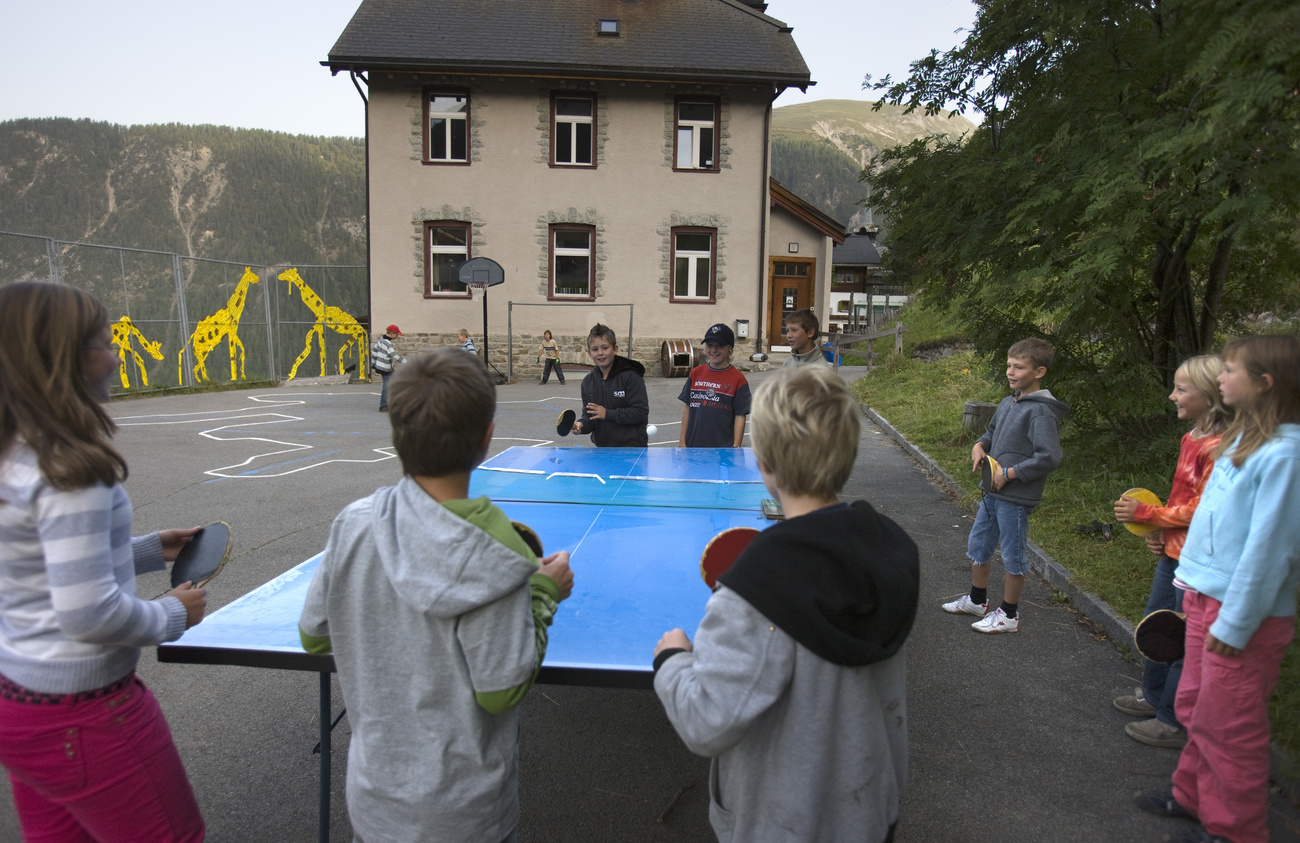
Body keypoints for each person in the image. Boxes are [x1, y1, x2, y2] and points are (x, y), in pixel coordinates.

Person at [298, 348, 574, 843]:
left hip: (375, 803)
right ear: (488, 437)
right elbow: (501, 690)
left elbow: (316, 637)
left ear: (397, 432)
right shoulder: (498, 551)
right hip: (466, 814)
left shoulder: (354, 523)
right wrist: (542, 594)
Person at [653, 366, 918, 842]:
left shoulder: (757, 587)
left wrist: (672, 660)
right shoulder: (889, 550)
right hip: (870, 812)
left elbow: (707, 722)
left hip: (782, 825)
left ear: (764, 463)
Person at [0, 281, 208, 842]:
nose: (114, 354)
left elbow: (32, 567)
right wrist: (173, 613)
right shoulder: (72, 469)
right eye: (103, 342)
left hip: (18, 706)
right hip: (88, 717)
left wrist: (146, 549)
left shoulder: (15, 458)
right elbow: (88, 613)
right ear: (63, 359)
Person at [1135, 335, 1300, 843]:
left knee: (1231, 727)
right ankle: (1192, 794)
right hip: (1204, 599)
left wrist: (1237, 622)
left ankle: (1234, 830)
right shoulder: (1243, 441)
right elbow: (1214, 520)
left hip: (1240, 614)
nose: (1221, 377)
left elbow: (1269, 551)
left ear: (1263, 383)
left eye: (1230, 371)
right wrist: (1172, 544)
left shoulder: (1284, 457)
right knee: (1195, 707)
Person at [1112, 355, 1231, 750]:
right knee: (1157, 626)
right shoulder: (1191, 437)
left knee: (1182, 637)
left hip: (1197, 560)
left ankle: (1173, 721)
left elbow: (1203, 507)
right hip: (1173, 553)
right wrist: (1160, 532)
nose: (1172, 395)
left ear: (1211, 395)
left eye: (1182, 389)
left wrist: (1149, 514)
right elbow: (1181, 498)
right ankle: (1153, 695)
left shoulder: (1220, 447)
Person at [942, 338, 1068, 633]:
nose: (1011, 372)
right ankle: (976, 600)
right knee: (979, 545)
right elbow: (990, 432)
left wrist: (1009, 473)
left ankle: (1009, 615)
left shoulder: (1040, 411)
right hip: (992, 492)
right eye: (1009, 365)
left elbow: (1050, 457)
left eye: (1019, 367)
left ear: (1039, 372)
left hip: (1016, 497)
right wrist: (979, 445)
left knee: (1012, 553)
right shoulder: (1008, 402)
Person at [572, 323, 649, 447]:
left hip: (632, 450)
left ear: (615, 349)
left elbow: (640, 412)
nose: (600, 353)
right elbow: (590, 416)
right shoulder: (587, 382)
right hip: (602, 450)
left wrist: (607, 414)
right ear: (590, 353)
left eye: (605, 347)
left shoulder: (631, 376)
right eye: (595, 349)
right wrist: (581, 425)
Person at [678, 323, 751, 447]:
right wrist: (682, 442)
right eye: (710, 345)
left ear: (729, 349)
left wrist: (736, 447)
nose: (713, 350)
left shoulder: (738, 379)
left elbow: (740, 416)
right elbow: (687, 409)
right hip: (693, 448)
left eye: (719, 346)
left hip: (722, 450)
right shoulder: (696, 373)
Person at [371, 324, 406, 412]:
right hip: (385, 368)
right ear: (392, 333)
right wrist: (405, 362)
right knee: (387, 385)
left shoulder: (380, 340)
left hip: (380, 366)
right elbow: (392, 354)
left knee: (394, 382)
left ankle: (392, 402)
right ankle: (383, 405)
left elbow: (374, 352)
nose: (397, 336)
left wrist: (373, 364)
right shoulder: (387, 342)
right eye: (396, 334)